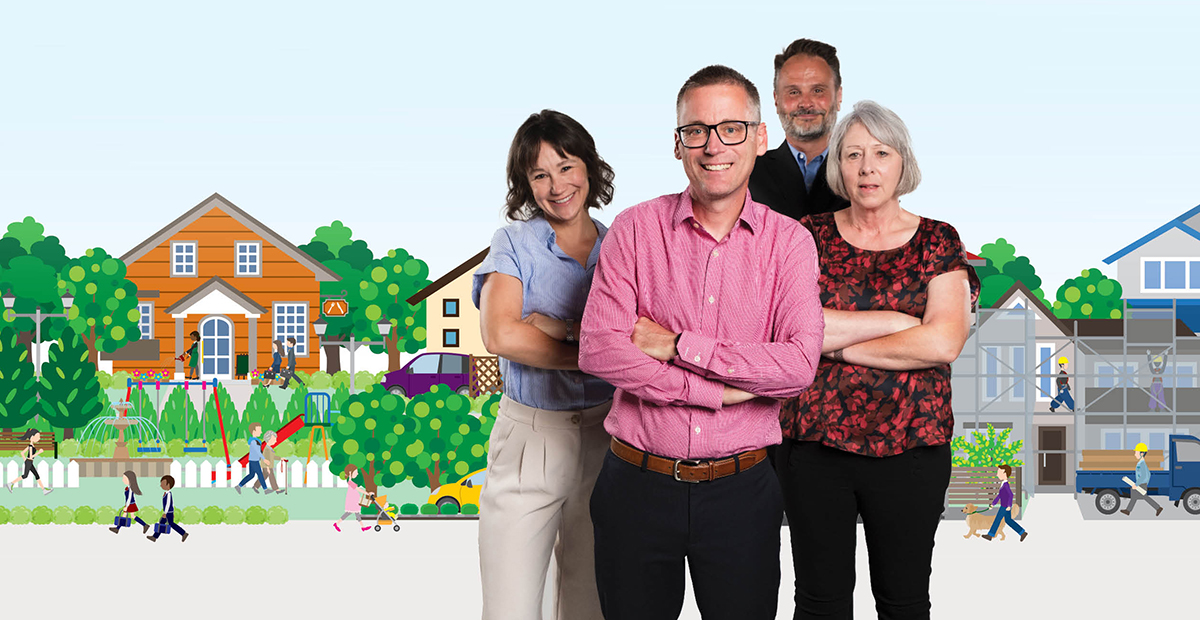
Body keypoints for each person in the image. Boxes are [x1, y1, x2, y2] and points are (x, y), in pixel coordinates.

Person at [579, 65, 823, 620]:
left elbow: (797, 366)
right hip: (634, 486)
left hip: (742, 492)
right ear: (677, 144)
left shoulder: (790, 244)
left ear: (761, 138)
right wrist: (720, 391)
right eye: (697, 130)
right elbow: (599, 349)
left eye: (732, 128)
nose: (714, 146)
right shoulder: (634, 230)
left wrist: (678, 345)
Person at [777, 100, 979, 619]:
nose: (867, 167)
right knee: (820, 601)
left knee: (904, 601)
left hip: (911, 448)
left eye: (881, 153)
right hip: (816, 444)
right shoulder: (807, 235)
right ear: (838, 167)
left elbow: (943, 343)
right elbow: (789, 330)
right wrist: (896, 322)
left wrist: (836, 345)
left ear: (901, 162)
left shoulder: (938, 239)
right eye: (853, 154)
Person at [473, 109, 616, 620]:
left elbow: (641, 336)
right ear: (525, 185)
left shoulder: (622, 243)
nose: (557, 185)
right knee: (509, 607)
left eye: (566, 166)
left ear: (589, 168)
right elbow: (501, 334)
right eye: (539, 174)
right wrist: (594, 354)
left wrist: (559, 327)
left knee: (591, 604)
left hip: (607, 435)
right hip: (530, 438)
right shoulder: (513, 243)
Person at [748, 38, 849, 221]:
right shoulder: (747, 172)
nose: (806, 103)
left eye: (818, 90)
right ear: (776, 100)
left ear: (838, 96)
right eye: (793, 92)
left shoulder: (862, 171)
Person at [982, 465, 1028, 542]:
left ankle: (990, 535)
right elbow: (999, 496)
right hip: (1004, 506)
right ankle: (1022, 532)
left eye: (999, 472)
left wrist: (1009, 506)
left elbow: (1011, 495)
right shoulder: (1003, 484)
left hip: (1004, 506)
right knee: (1008, 520)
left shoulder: (1006, 485)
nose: (997, 474)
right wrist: (993, 504)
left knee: (997, 519)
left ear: (1004, 473)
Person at [1122, 442, 1163, 516]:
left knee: (1144, 497)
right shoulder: (1140, 463)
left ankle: (1158, 508)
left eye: (1136, 452)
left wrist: (1137, 484)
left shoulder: (1142, 464)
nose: (1134, 454)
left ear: (1142, 453)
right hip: (1142, 483)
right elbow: (1148, 474)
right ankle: (1128, 510)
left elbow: (1144, 475)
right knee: (1135, 497)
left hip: (1141, 484)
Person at [6, 429, 52, 494]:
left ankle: (44, 490)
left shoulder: (30, 446)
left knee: (36, 475)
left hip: (29, 462)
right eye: (37, 437)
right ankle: (10, 483)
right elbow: (31, 456)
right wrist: (39, 452)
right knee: (25, 476)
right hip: (29, 462)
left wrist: (25, 461)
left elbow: (22, 453)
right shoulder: (30, 446)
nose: (39, 438)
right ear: (32, 437)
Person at [147, 475, 189, 542]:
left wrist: (165, 513)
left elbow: (168, 504)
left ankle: (184, 533)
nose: (161, 485)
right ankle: (154, 537)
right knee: (162, 523)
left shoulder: (169, 494)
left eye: (162, 483)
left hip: (168, 512)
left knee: (170, 524)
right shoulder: (166, 493)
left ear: (168, 485)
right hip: (169, 512)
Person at [332, 464, 370, 532]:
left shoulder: (350, 481)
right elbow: (358, 489)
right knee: (349, 513)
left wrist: (349, 476)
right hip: (352, 501)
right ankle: (337, 524)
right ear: (351, 473)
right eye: (356, 472)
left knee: (356, 514)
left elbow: (351, 480)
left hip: (354, 500)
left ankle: (362, 527)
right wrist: (367, 493)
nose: (357, 473)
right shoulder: (350, 483)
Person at [234, 423, 269, 494]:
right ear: (254, 431)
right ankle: (265, 489)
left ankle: (239, 486)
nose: (261, 432)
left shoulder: (256, 441)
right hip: (254, 461)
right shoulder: (253, 442)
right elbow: (257, 452)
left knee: (251, 475)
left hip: (253, 460)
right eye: (259, 430)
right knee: (260, 475)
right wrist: (264, 459)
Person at [252, 430, 281, 494]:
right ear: (269, 439)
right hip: (267, 466)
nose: (275, 440)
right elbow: (265, 458)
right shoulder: (267, 449)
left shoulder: (269, 449)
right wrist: (267, 467)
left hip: (268, 465)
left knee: (264, 476)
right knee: (271, 476)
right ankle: (276, 489)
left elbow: (273, 457)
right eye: (274, 439)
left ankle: (255, 486)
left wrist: (280, 458)